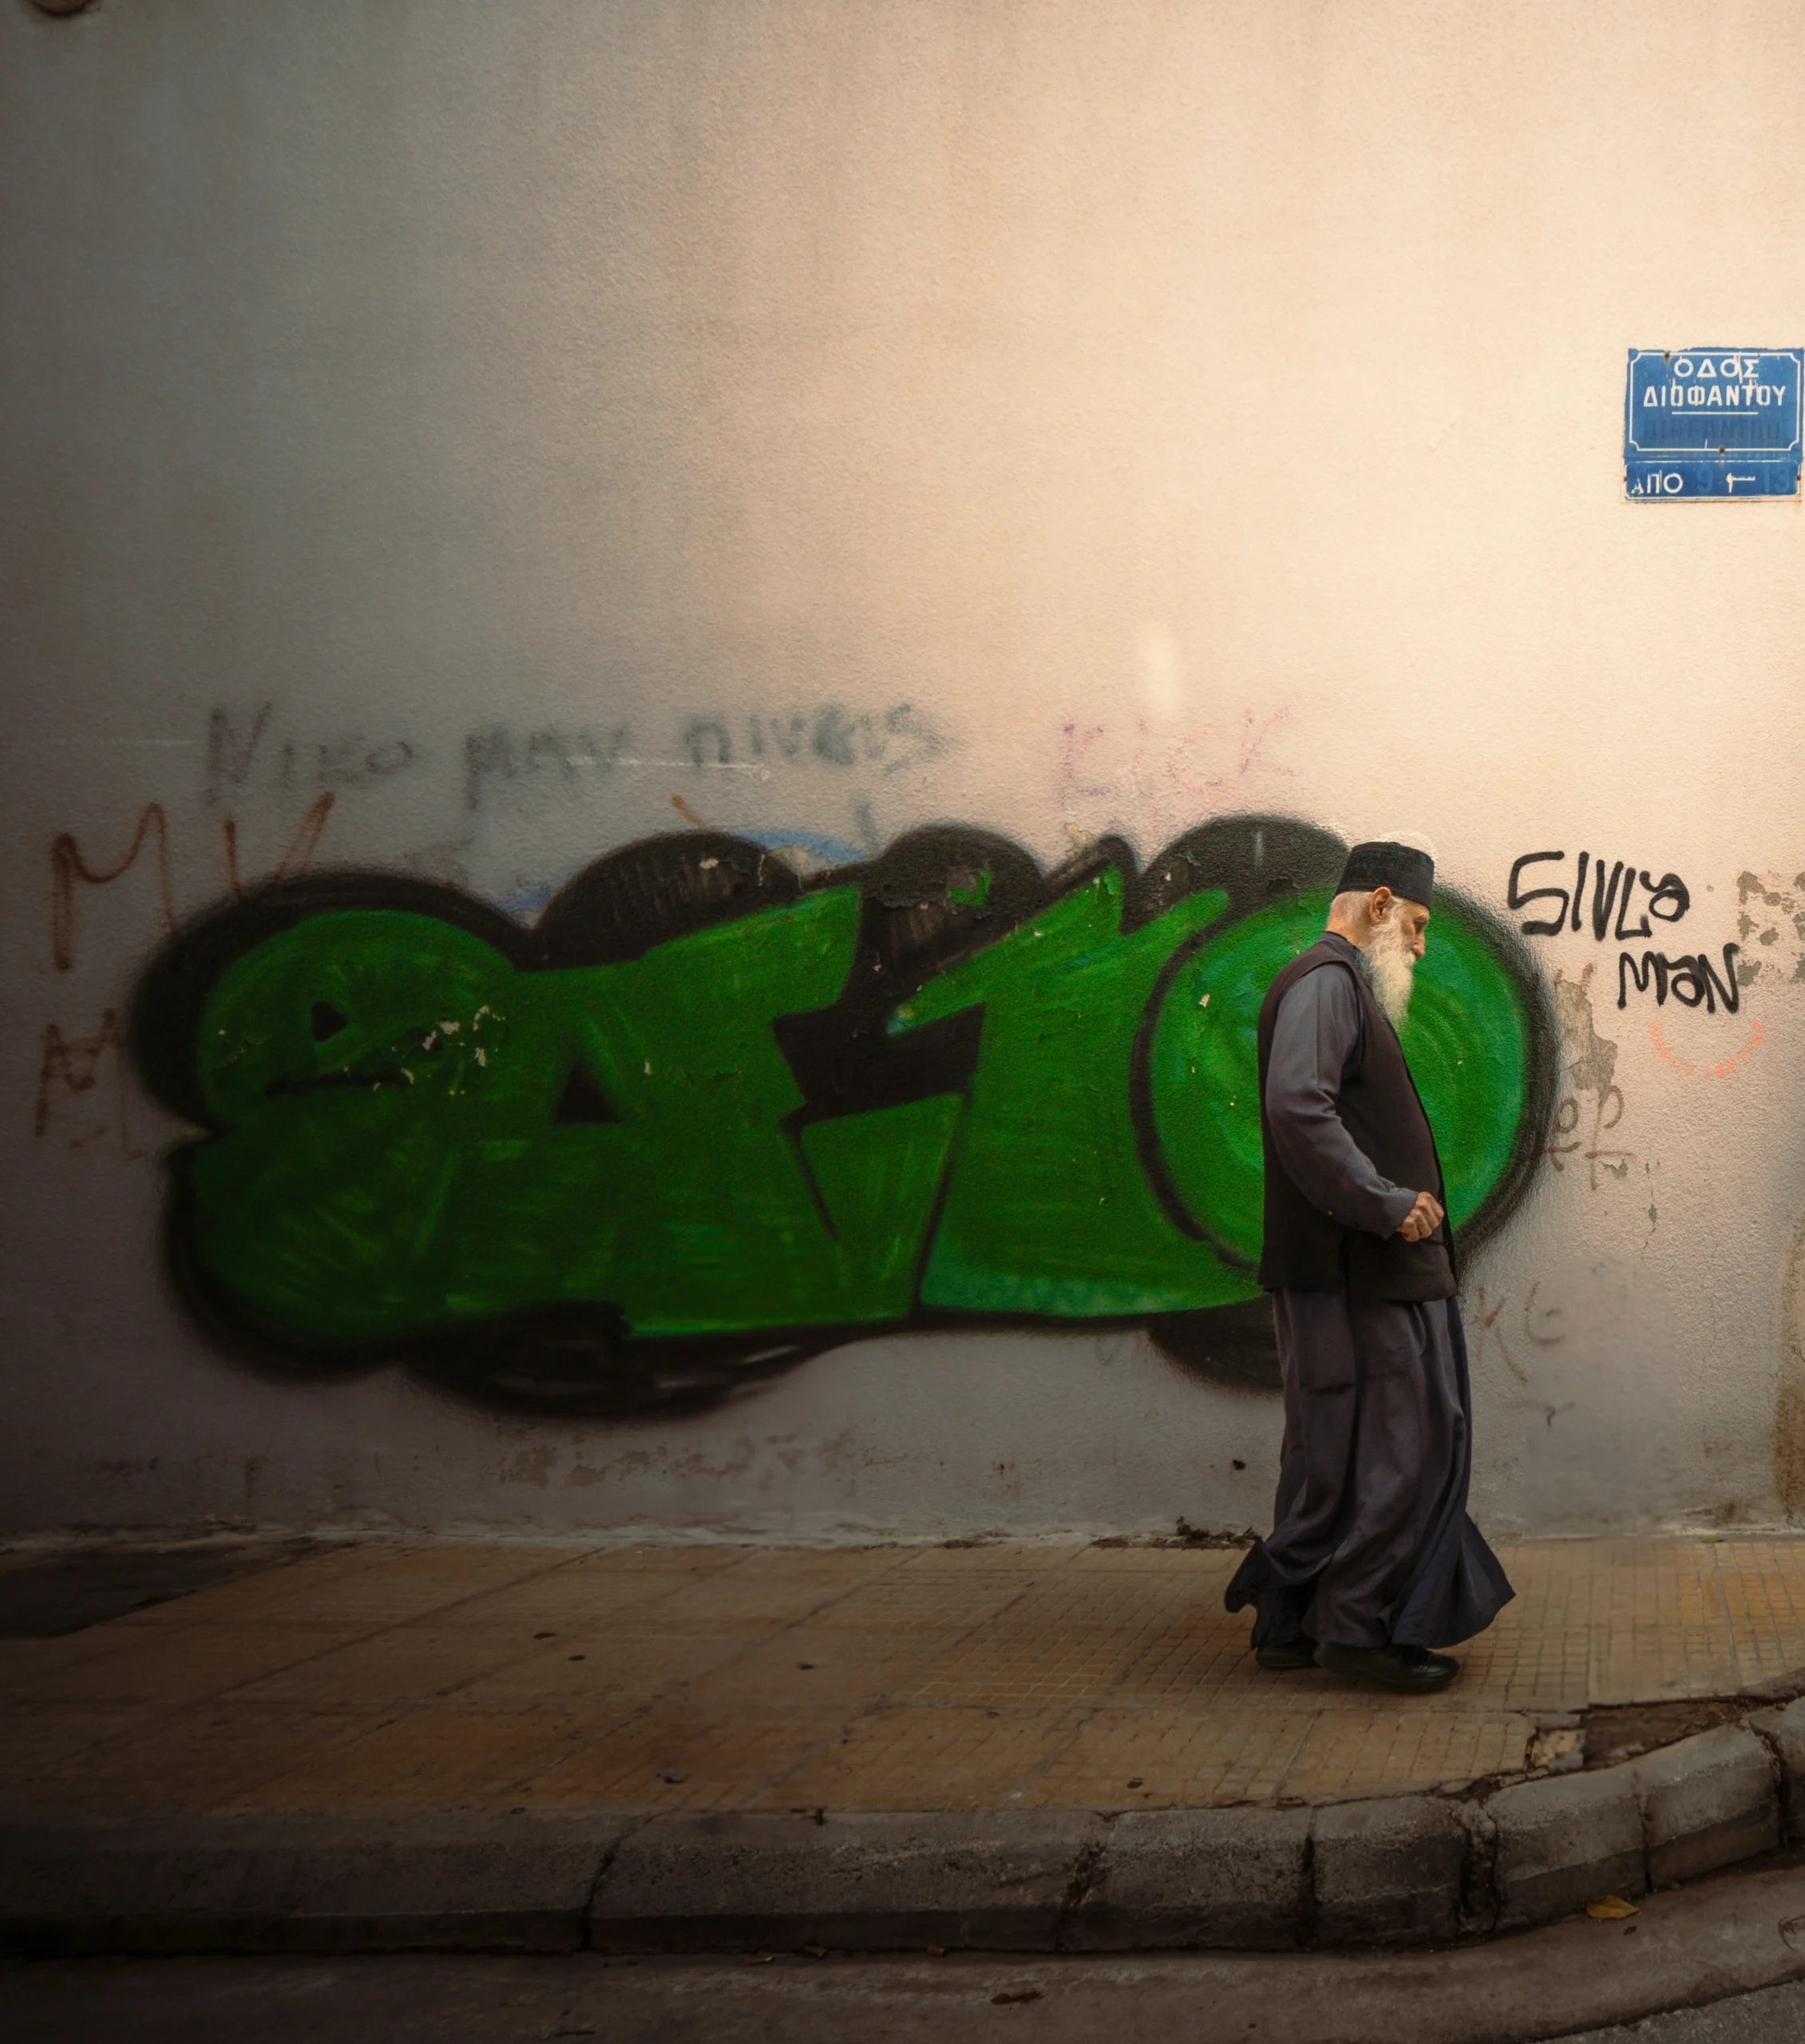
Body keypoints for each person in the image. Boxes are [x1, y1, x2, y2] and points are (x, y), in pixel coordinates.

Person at [1224, 839, 1513, 1693]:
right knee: (1409, 1444)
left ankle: (1286, 1617)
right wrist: (1386, 1203)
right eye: (1416, 925)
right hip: (1366, 1272)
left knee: (1334, 1452)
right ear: (1379, 903)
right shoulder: (1327, 982)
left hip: (1341, 1273)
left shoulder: (1329, 985)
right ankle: (1355, 1628)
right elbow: (1295, 1107)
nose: (1420, 946)